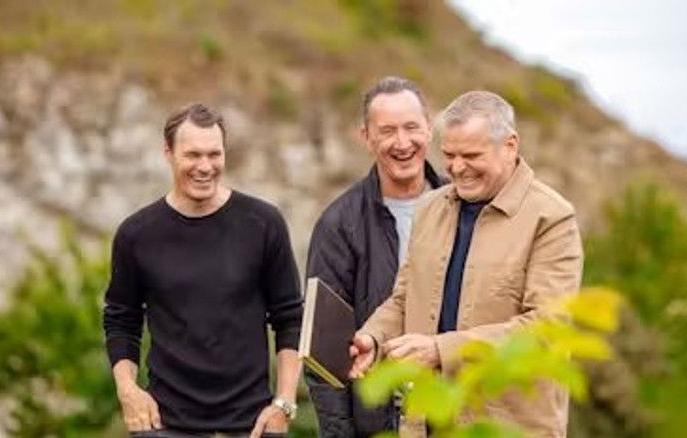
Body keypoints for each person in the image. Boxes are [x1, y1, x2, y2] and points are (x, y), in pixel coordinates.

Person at [350, 91, 584, 437]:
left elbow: (546, 330)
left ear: (510, 146)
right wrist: (374, 336)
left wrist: (440, 350)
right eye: (449, 155)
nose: (457, 168)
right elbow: (404, 299)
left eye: (471, 156)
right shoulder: (428, 208)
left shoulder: (552, 218)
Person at [103, 103, 303, 438]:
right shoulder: (136, 234)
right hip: (164, 426)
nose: (205, 166)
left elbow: (290, 319)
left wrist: (284, 403)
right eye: (193, 155)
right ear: (168, 153)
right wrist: (128, 392)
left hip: (253, 426)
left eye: (214, 154)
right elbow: (121, 320)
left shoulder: (263, 223)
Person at [305, 76, 445, 437]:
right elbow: (324, 357)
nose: (402, 142)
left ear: (429, 129)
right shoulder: (339, 224)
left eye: (411, 127)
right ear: (366, 137)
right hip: (379, 422)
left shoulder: (464, 208)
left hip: (452, 413)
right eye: (387, 131)